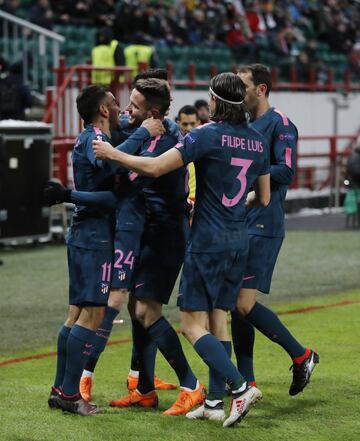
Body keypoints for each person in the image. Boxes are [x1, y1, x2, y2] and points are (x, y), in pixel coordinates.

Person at [93, 72, 271, 428]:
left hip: (207, 242)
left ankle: (239, 387)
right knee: (218, 319)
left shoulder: (206, 135)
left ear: (216, 102)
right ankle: (214, 402)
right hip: (239, 241)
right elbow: (262, 198)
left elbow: (157, 167)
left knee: (191, 324)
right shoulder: (257, 140)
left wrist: (114, 153)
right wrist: (234, 210)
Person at [47, 84, 162, 416]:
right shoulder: (95, 142)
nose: (120, 107)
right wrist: (142, 134)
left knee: (76, 314)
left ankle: (60, 390)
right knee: (93, 314)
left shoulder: (93, 138)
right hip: (93, 237)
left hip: (86, 234)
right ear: (102, 110)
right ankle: (70, 394)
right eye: (114, 102)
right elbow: (111, 191)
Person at [230, 64, 319, 397]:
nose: (239, 91)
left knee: (242, 303)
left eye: (244, 85)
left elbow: (288, 170)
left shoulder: (280, 124)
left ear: (261, 89)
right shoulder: (247, 124)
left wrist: (254, 174)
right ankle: (246, 381)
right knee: (234, 303)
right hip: (241, 222)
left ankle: (302, 355)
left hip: (264, 223)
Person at [176, 105, 200, 202]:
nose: (189, 128)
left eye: (192, 124)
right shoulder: (172, 147)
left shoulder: (207, 146)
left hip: (200, 203)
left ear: (198, 123)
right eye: (185, 124)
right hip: (180, 202)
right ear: (178, 123)